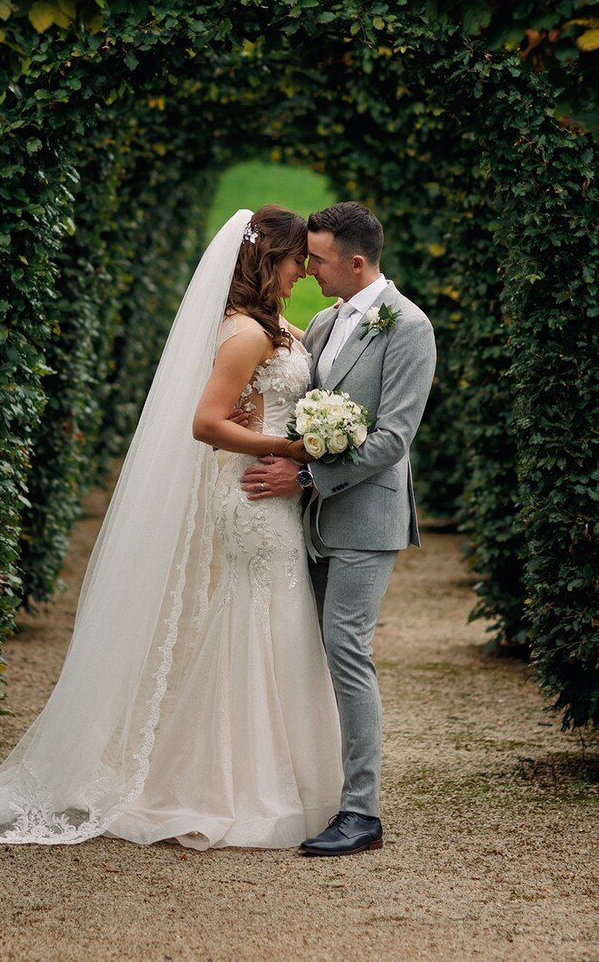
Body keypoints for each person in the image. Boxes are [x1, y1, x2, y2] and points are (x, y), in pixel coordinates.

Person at [0, 206, 343, 849]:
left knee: (264, 618)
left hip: (270, 494)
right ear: (267, 260)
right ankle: (250, 786)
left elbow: (289, 371)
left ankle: (264, 775)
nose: (303, 271)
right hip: (253, 498)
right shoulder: (244, 334)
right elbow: (206, 424)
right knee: (270, 616)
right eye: (297, 259)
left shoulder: (271, 327)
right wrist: (295, 449)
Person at [242, 202, 436, 857]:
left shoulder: (409, 328)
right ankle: (316, 787)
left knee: (347, 649)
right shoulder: (324, 320)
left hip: (366, 517)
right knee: (314, 649)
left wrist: (302, 478)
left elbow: (391, 439)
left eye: (317, 258)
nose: (308, 266)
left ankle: (362, 812)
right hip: (312, 518)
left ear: (355, 262)